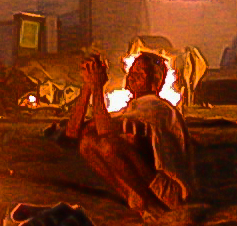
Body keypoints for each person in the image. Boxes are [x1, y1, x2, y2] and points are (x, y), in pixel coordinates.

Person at [65, 52, 194, 212]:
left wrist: (97, 87)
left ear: (155, 82)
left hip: (171, 191)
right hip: (153, 187)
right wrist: (88, 86)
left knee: (108, 145)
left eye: (140, 73)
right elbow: (73, 132)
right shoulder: (132, 108)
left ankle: (153, 206)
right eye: (132, 71)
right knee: (87, 143)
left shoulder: (157, 107)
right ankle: (137, 199)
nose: (132, 76)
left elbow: (105, 132)